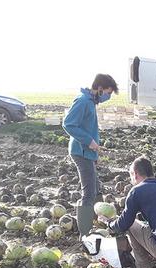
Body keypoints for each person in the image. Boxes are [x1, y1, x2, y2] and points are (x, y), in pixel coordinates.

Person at [63, 73, 119, 237]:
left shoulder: (90, 102)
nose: (108, 96)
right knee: (88, 193)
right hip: (81, 152)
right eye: (108, 92)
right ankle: (85, 234)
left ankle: (96, 221)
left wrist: (94, 152)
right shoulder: (82, 101)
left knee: (96, 188)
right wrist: (89, 142)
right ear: (100, 89)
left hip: (88, 152)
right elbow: (68, 124)